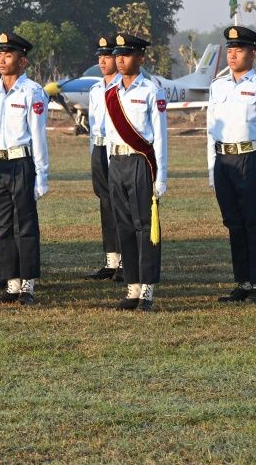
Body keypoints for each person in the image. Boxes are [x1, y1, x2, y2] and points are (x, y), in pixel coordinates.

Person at [207, 26, 256, 303]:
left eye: (239, 50)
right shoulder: (217, 86)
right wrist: (211, 167)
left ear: (253, 53)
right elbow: (210, 130)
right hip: (223, 159)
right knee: (233, 223)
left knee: (255, 221)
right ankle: (243, 282)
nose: (233, 55)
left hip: (251, 159)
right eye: (230, 50)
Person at [103, 33, 168, 312]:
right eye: (117, 54)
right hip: (116, 162)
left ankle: (147, 289)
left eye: (126, 54)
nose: (120, 59)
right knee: (124, 226)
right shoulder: (111, 92)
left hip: (141, 162)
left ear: (140, 58)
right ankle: (132, 287)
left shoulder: (151, 90)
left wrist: (160, 175)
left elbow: (160, 136)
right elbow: (108, 134)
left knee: (145, 227)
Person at [0, 32, 49, 305]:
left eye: (8, 55)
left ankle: (27, 285)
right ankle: (11, 283)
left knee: (25, 224)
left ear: (23, 62)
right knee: (2, 224)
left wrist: (42, 175)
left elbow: (38, 136)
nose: (1, 60)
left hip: (22, 162)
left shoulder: (32, 92)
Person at [85, 36, 124, 281]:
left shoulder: (123, 87)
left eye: (107, 56)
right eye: (100, 56)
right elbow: (93, 125)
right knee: (106, 203)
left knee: (122, 204)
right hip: (99, 148)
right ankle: (111, 260)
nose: (102, 61)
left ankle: (127, 260)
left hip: (117, 150)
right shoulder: (96, 89)